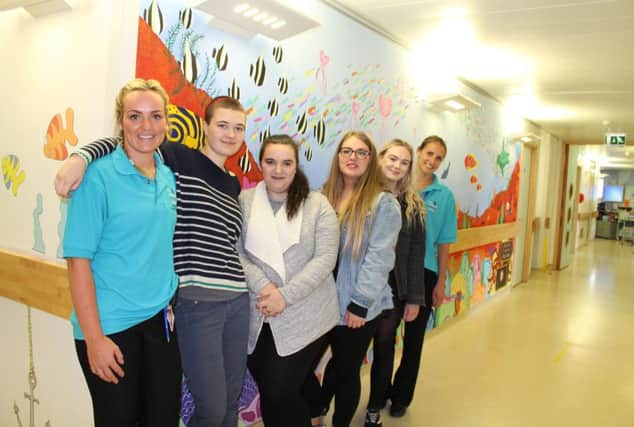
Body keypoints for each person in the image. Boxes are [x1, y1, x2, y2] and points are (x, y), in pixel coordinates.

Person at [56, 96, 250, 427]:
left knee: (168, 414)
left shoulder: (175, 176)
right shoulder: (177, 159)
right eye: (222, 125)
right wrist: (80, 155)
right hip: (125, 320)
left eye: (238, 128)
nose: (230, 134)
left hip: (164, 317)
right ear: (204, 126)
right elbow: (130, 142)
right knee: (128, 416)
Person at [63, 78, 181, 427]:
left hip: (158, 321)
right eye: (135, 116)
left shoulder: (167, 176)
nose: (146, 126)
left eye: (155, 116)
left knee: (162, 419)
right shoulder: (97, 177)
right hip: (110, 324)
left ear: (166, 122)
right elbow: (77, 263)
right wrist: (95, 339)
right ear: (121, 122)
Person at [237, 134, 340, 427]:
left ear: (296, 166)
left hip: (308, 313)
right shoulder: (245, 201)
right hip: (260, 312)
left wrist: (285, 295)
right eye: (271, 162)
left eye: (286, 163)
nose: (278, 170)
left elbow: (325, 259)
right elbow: (235, 252)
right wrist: (265, 287)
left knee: (278, 391)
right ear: (261, 164)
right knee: (274, 389)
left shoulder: (317, 204)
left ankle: (313, 411)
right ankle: (315, 409)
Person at [304, 131, 401, 427]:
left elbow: (380, 258)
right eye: (347, 151)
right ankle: (318, 407)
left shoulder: (383, 203)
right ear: (338, 157)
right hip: (319, 302)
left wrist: (359, 304)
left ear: (371, 160)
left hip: (355, 306)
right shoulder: (320, 198)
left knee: (346, 371)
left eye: (361, 152)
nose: (353, 158)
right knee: (300, 367)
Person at [388, 135, 457, 418]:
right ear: (418, 152)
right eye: (428, 154)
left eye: (438, 157)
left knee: (413, 342)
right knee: (383, 337)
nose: (431, 161)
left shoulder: (444, 196)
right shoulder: (397, 185)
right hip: (392, 272)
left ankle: (401, 396)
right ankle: (379, 393)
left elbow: (444, 242)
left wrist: (440, 282)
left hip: (425, 275)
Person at [364, 139, 426, 427]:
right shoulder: (363, 194)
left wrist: (414, 298)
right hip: (360, 286)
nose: (396, 166)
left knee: (385, 348)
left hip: (394, 291)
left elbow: (416, 255)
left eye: (404, 162)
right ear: (380, 158)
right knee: (349, 351)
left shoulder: (413, 205)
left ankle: (374, 407)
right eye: (392, 158)